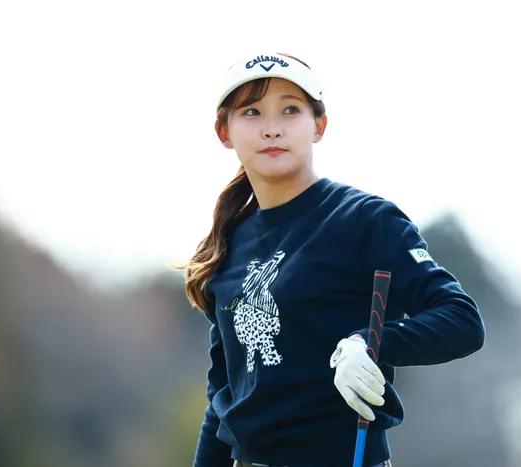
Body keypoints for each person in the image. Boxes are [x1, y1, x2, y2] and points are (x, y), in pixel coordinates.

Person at [178, 52, 486, 467]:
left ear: (319, 125)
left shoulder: (365, 220)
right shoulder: (228, 242)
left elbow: (462, 321)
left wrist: (368, 343)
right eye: (252, 112)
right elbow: (223, 399)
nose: (272, 128)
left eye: (290, 110)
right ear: (224, 131)